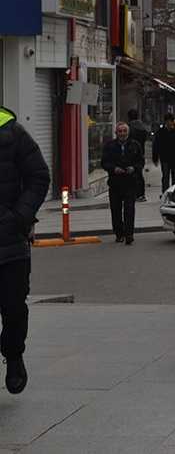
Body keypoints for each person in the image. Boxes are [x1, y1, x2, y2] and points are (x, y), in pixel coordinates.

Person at [0, 106, 50, 395]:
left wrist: (20, 216)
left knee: (14, 309)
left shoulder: (12, 132)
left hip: (10, 243)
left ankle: (14, 354)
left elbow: (39, 177)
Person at [102, 123, 144, 244]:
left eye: (124, 131)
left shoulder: (135, 145)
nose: (122, 133)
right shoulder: (109, 146)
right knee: (115, 210)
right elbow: (104, 162)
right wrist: (113, 169)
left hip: (130, 182)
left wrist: (134, 168)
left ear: (128, 132)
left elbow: (140, 162)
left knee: (129, 209)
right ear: (116, 133)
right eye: (120, 131)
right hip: (115, 183)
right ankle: (119, 233)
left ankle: (129, 234)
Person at [152, 114, 175, 195]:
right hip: (165, 158)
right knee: (165, 177)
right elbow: (156, 145)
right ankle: (165, 193)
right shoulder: (161, 132)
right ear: (165, 121)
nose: (170, 123)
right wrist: (155, 157)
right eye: (168, 121)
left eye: (171, 121)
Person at [127, 109, 150, 201]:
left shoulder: (130, 127)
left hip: (131, 154)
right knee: (139, 175)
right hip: (141, 153)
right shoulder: (143, 127)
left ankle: (135, 194)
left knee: (133, 175)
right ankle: (141, 194)